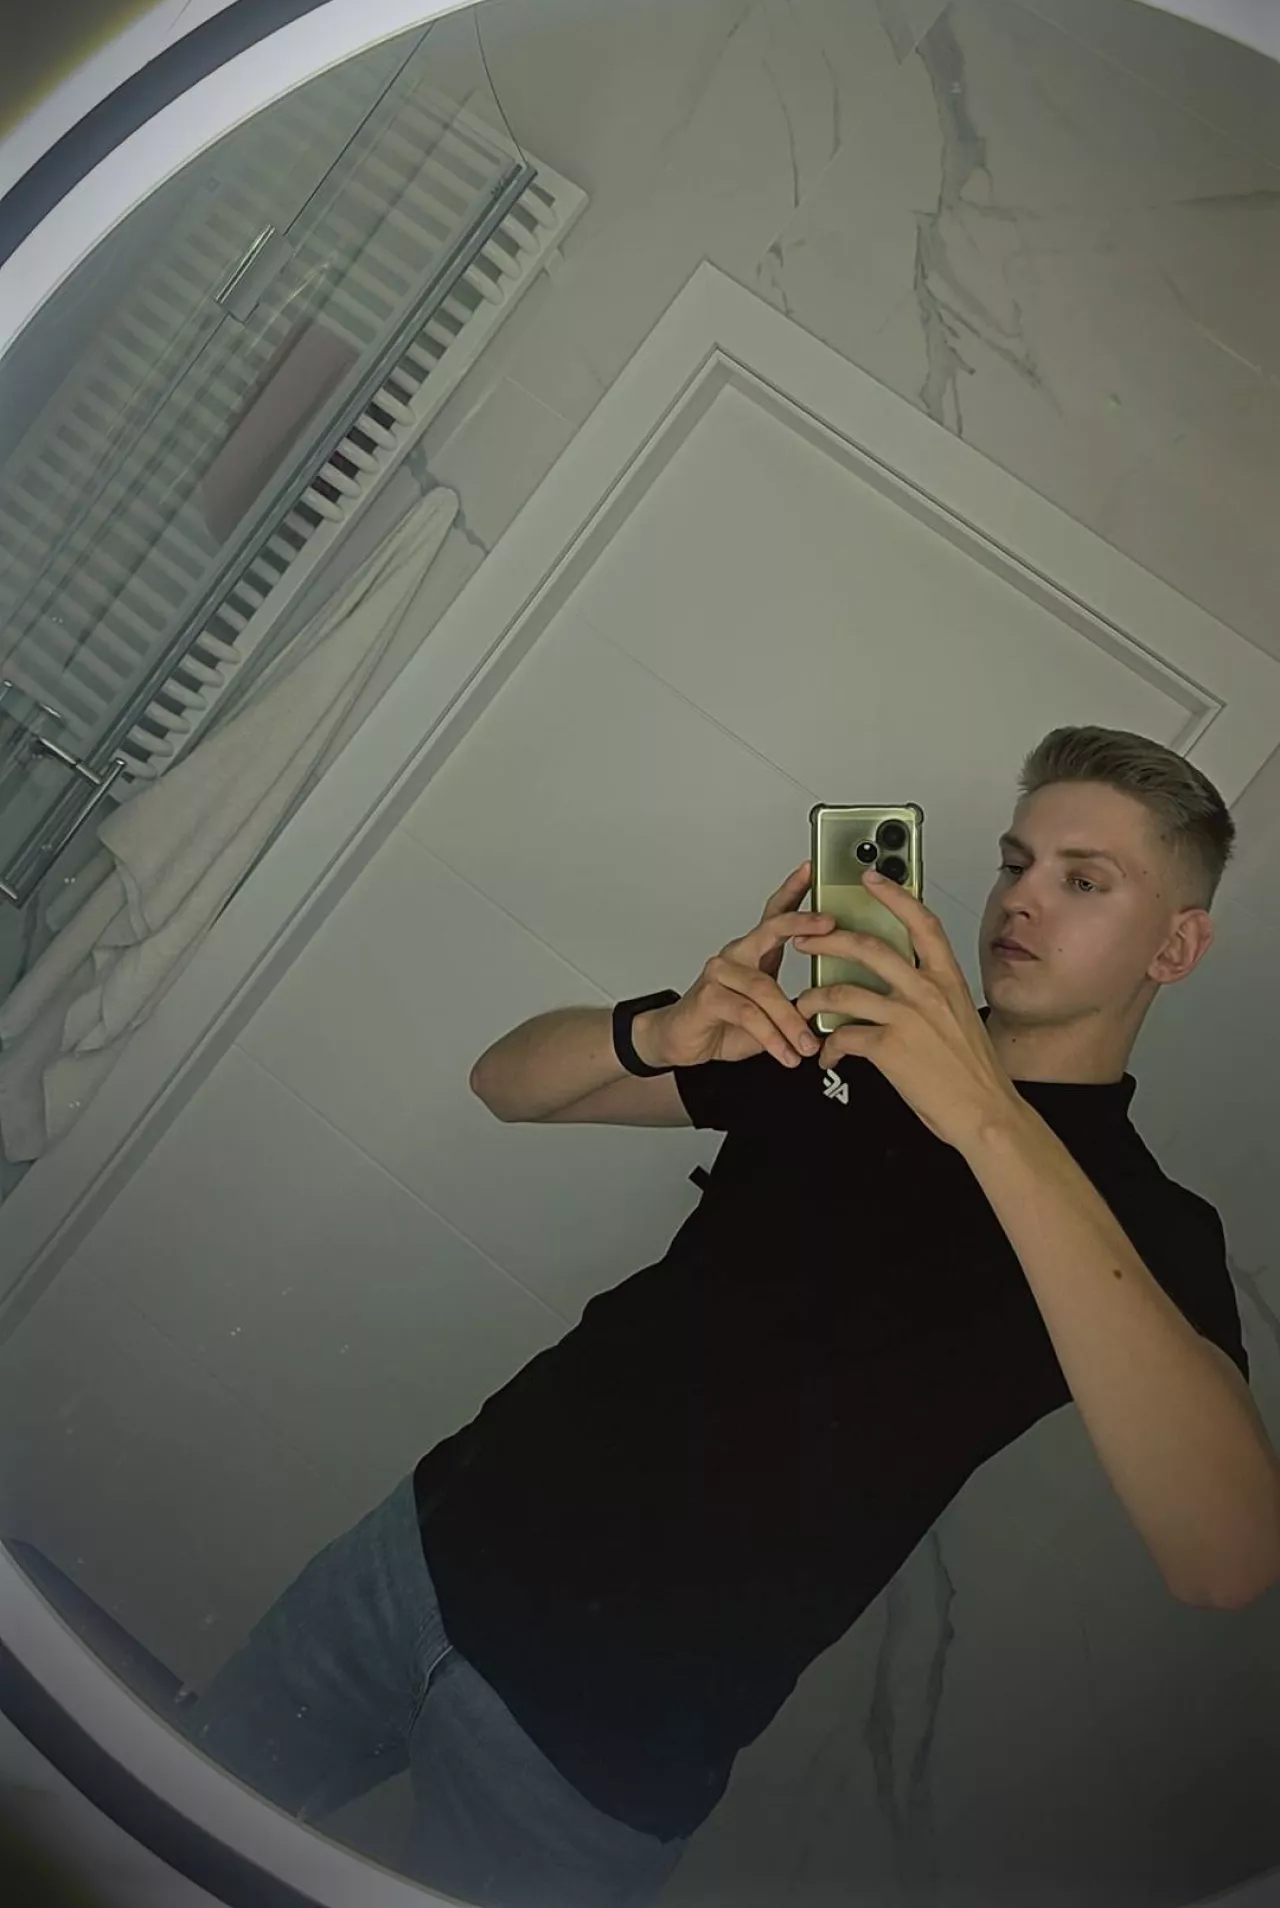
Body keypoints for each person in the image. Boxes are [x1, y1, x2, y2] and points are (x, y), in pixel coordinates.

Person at [184, 726, 1280, 1908]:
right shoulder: (838, 1050)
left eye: (1081, 879)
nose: (1019, 898)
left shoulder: (1145, 1225)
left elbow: (1224, 1556)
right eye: (1015, 862)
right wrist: (657, 1029)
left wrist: (986, 1116)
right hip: (419, 1556)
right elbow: (505, 1084)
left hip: (593, 1747)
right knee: (172, 1819)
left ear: (1174, 944)